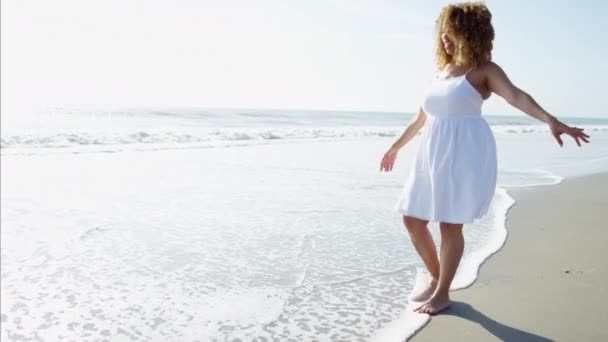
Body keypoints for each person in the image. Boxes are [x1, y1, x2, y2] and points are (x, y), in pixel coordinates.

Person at [379, 1, 590, 315]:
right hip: (431, 154)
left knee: (450, 226)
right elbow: (419, 119)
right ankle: (438, 277)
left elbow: (517, 96)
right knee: (412, 218)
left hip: (464, 153)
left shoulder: (484, 71)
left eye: (452, 33)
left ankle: (442, 293)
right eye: (443, 34)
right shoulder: (439, 73)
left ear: (470, 33)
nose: (445, 39)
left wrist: (551, 121)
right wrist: (395, 146)